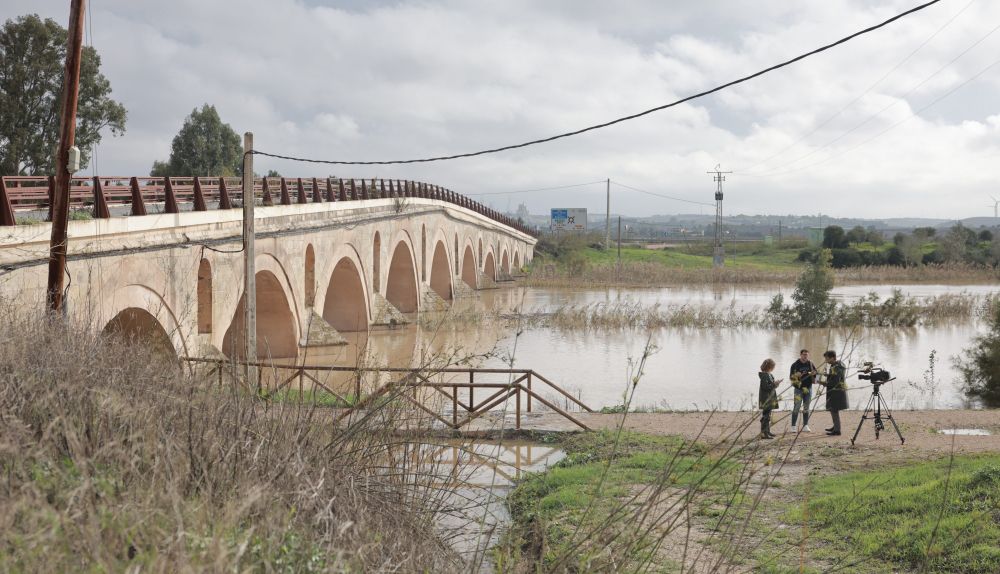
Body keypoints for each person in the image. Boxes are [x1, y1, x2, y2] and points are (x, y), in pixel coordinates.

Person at [819, 350, 848, 436]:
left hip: (836, 391)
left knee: (834, 410)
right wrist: (828, 375)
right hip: (836, 391)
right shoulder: (837, 365)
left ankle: (837, 430)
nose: (826, 361)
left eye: (827, 358)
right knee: (833, 410)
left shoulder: (836, 367)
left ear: (832, 358)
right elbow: (835, 376)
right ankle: (835, 426)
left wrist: (821, 382)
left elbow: (834, 382)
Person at [789, 349, 817, 432]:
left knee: (806, 407)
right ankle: (793, 426)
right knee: (796, 407)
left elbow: (816, 374)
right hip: (798, 389)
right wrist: (796, 375)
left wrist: (814, 376)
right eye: (804, 354)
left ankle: (805, 425)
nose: (805, 356)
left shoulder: (811, 364)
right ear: (800, 355)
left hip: (808, 388)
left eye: (807, 355)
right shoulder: (795, 365)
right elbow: (791, 377)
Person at [758, 358, 782, 439]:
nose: (774, 368)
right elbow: (765, 387)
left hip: (770, 397)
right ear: (770, 366)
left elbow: (771, 386)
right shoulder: (764, 375)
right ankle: (764, 434)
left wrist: (776, 384)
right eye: (773, 366)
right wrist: (774, 384)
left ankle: (767, 431)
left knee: (768, 415)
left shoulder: (769, 374)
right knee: (766, 416)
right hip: (766, 398)